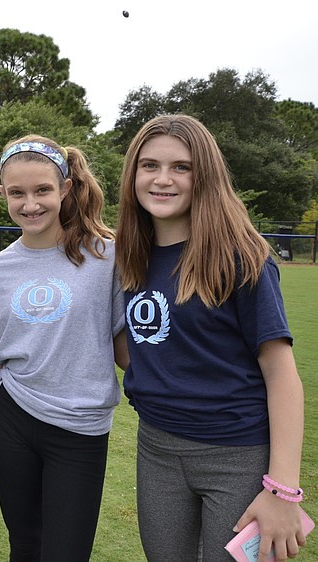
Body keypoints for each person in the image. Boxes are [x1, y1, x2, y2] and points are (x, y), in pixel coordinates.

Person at [116, 114, 306, 562]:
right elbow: (140, 350)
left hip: (236, 456)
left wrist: (282, 489)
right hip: (157, 448)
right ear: (133, 175)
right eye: (149, 166)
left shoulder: (243, 257)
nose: (163, 179)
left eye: (181, 167)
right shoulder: (129, 254)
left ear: (205, 175)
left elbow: (282, 377)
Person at [0, 134, 128, 561]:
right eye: (17, 193)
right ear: (3, 194)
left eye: (42, 190)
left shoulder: (107, 257)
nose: (30, 204)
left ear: (64, 188)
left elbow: (125, 348)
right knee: (24, 546)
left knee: (66, 552)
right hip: (14, 424)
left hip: (80, 429)